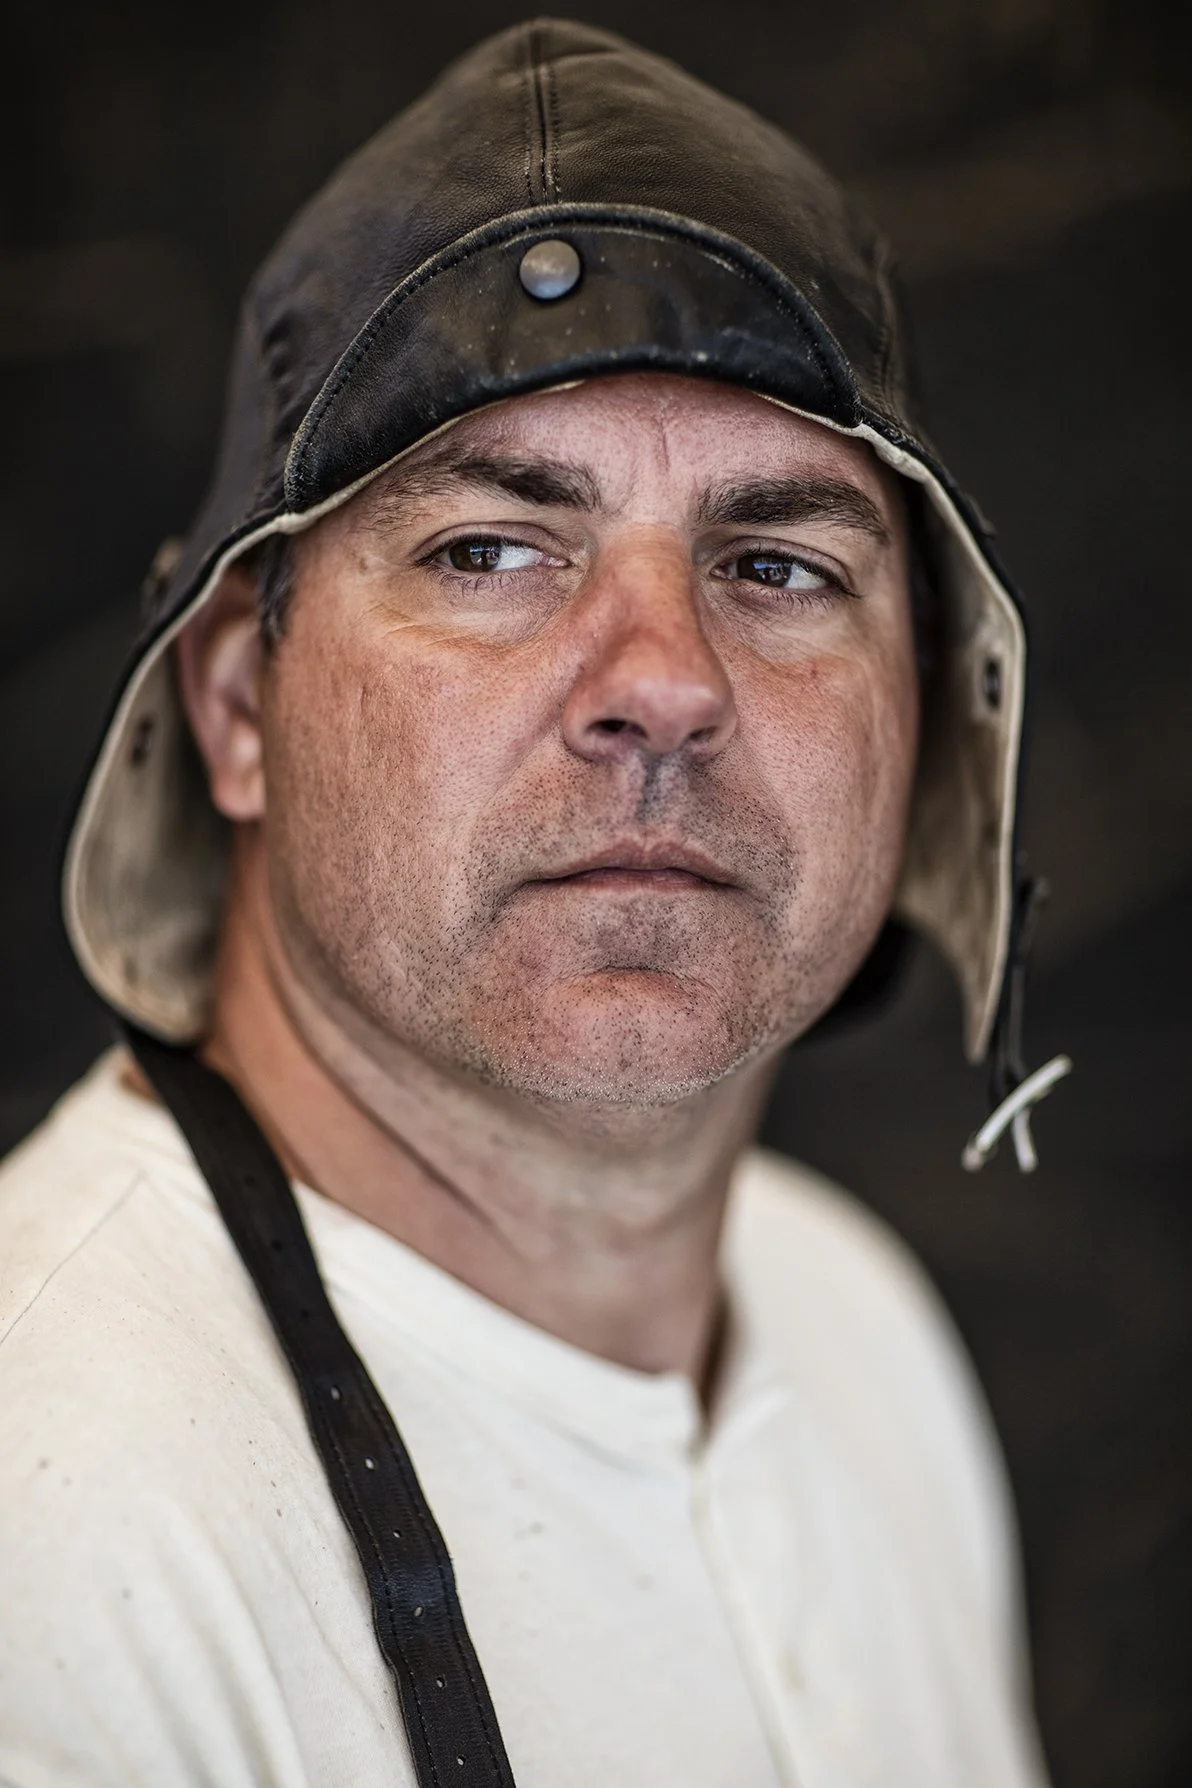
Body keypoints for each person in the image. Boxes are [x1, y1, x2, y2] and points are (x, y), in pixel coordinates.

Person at [0, 19, 1061, 1787]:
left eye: (778, 563)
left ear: (925, 711)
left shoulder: (857, 1329)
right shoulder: (59, 1515)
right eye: (489, 550)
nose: (664, 681)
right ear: (239, 708)